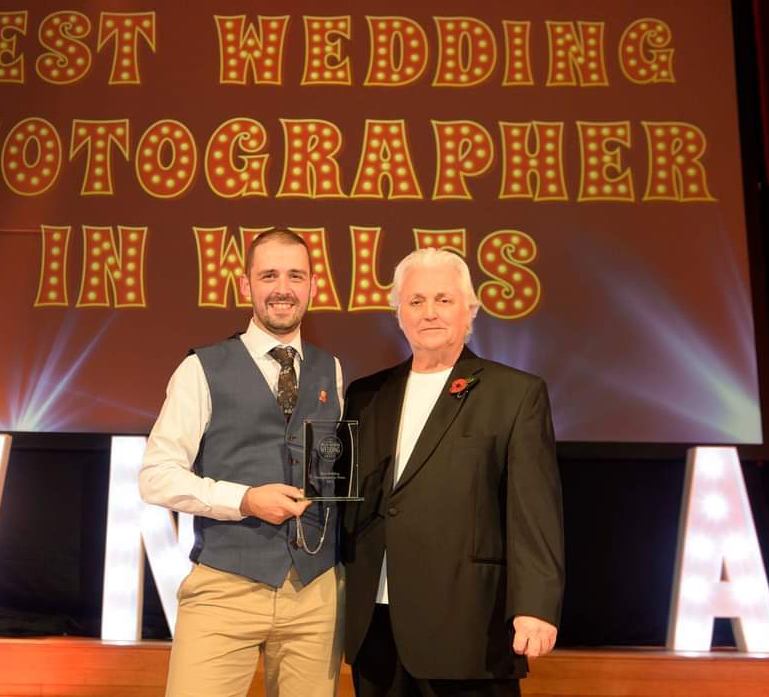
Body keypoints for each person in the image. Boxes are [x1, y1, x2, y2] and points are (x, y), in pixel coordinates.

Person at [341, 247, 565, 697]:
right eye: (416, 301)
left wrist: (535, 606)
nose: (429, 313)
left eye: (443, 300)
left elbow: (534, 511)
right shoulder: (366, 395)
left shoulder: (514, 394)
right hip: (378, 626)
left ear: (471, 310)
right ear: (398, 313)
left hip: (469, 627)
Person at [140, 227, 344, 697]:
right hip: (225, 588)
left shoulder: (330, 369)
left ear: (313, 285)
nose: (283, 288)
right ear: (245, 285)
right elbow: (156, 476)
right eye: (269, 274)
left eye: (296, 275)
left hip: (315, 592)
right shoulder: (201, 368)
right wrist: (245, 500)